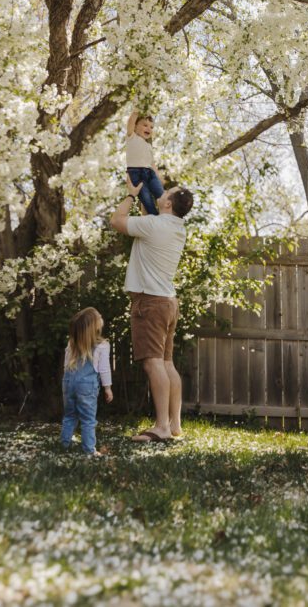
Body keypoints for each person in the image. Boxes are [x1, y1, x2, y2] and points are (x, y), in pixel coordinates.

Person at [110, 173, 195, 443]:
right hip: (169, 301)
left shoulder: (154, 226)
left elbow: (116, 221)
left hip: (150, 302)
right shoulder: (176, 226)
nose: (162, 191)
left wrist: (131, 194)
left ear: (168, 204)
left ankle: (161, 427)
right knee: (167, 362)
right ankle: (174, 424)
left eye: (166, 192)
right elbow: (153, 211)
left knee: (153, 363)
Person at [61, 307, 113, 455]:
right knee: (88, 419)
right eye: (99, 317)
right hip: (86, 387)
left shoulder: (71, 344)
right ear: (94, 326)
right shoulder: (102, 346)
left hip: (68, 383)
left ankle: (64, 445)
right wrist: (107, 388)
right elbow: (104, 369)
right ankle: (89, 450)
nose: (102, 317)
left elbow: (66, 366)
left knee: (69, 416)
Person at [124, 111, 165, 215]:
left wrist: (158, 178)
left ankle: (167, 215)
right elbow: (130, 122)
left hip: (150, 173)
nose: (149, 129)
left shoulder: (149, 146)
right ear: (135, 127)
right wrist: (136, 112)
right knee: (146, 199)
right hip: (136, 173)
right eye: (145, 125)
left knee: (162, 196)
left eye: (151, 127)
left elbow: (152, 163)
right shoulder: (131, 137)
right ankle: (154, 217)